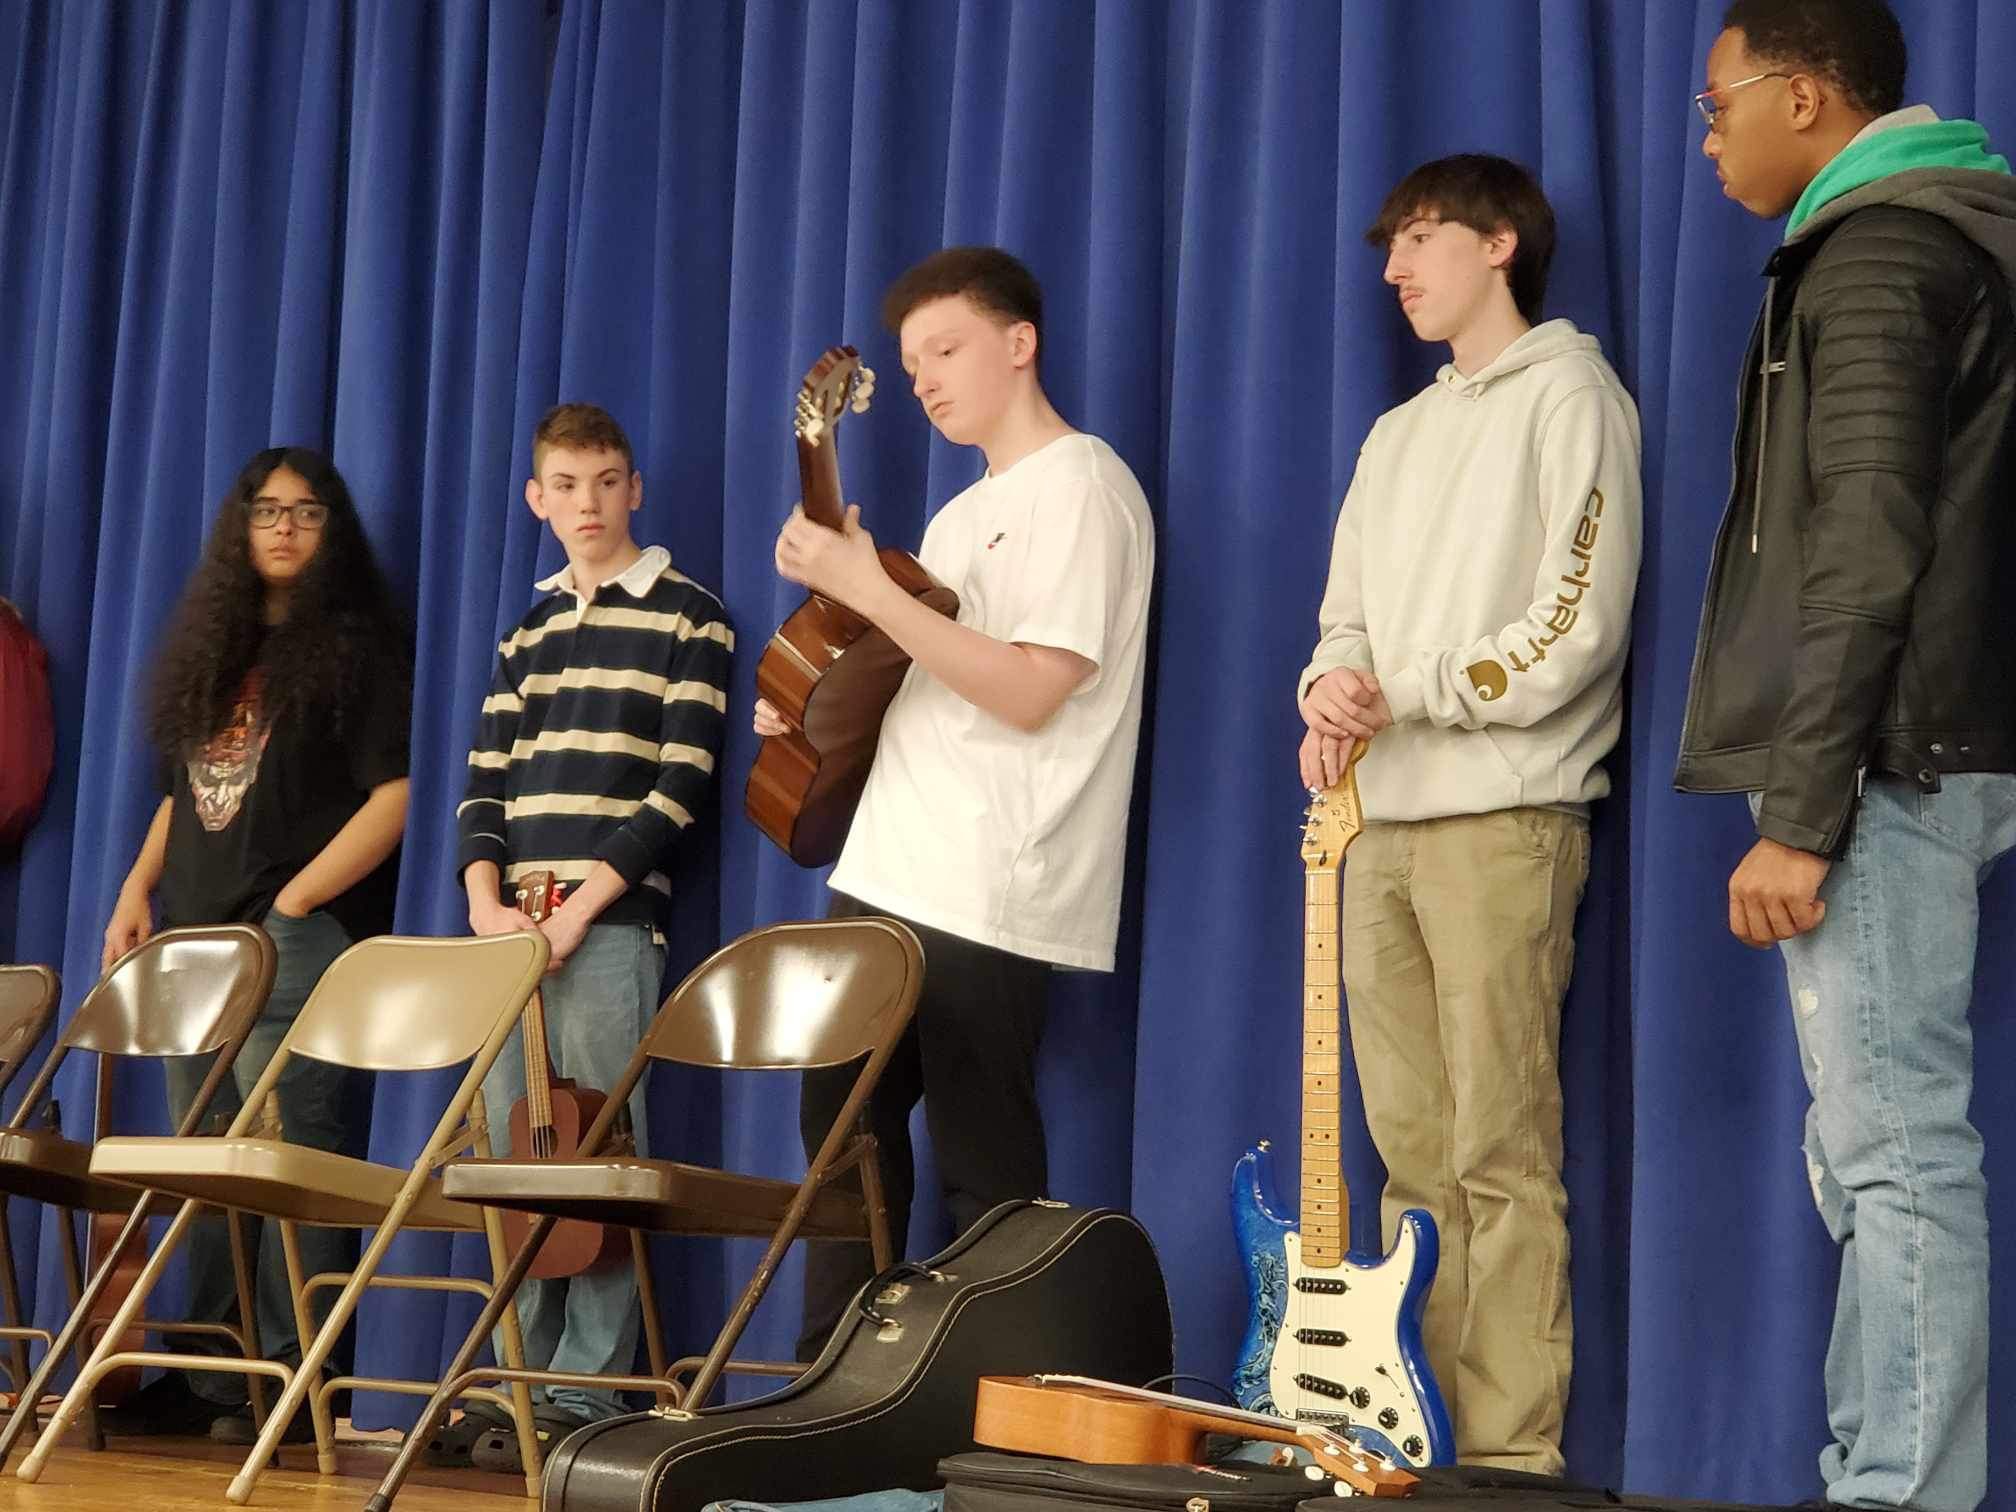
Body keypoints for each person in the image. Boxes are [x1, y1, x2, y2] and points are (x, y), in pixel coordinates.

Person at [1676, 4, 2016, 1506]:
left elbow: (1868, 545)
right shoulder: (1952, 229)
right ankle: (1869, 1476)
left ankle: (1900, 1494)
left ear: (1804, 97)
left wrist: (1803, 811)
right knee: (1869, 1153)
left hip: (1882, 758)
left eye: (1720, 104)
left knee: (1894, 1156)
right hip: (1922, 740)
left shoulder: (1880, 251)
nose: (1708, 135)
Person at [1296, 155, 1642, 1473]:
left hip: (1505, 820)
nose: (1395, 270)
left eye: (1422, 239)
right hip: (1377, 830)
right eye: (1393, 246)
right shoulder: (1398, 434)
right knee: (1409, 1160)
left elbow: (1577, 624)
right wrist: (1329, 697)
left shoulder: (1574, 398)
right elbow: (1346, 621)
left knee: (1500, 1148)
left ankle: (1509, 1461)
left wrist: (1408, 691)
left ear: (1501, 243)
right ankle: (1413, 1442)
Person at [753, 246, 1155, 1360]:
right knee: (843, 1149)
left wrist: (868, 585)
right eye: (910, 362)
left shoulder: (1082, 485)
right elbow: (920, 688)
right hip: (886, 867)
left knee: (986, 1170)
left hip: (990, 883)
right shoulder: (960, 515)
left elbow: (1029, 688)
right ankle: (830, 1397)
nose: (924, 380)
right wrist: (808, 713)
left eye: (945, 350)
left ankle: (986, 1411)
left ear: (1018, 343)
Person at [101, 446, 413, 1444]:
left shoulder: (358, 651)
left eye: (307, 512)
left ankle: (291, 1383)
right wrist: (136, 892)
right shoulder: (211, 652)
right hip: (192, 951)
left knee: (290, 1163)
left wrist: (297, 902)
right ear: (240, 530)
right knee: (199, 1170)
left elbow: (397, 796)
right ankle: (209, 1377)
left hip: (293, 948)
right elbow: (179, 799)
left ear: (332, 534)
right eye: (267, 510)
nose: (283, 527)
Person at [450, 402, 732, 1469]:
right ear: (537, 498)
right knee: (515, 1158)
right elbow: (485, 783)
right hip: (508, 929)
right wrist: (486, 903)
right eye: (566, 486)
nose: (587, 504)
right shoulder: (525, 630)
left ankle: (584, 1386)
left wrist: (577, 912)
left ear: (636, 489)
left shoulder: (689, 615)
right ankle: (513, 1374)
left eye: (607, 481)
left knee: (598, 1151)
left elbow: (679, 787)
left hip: (605, 927)